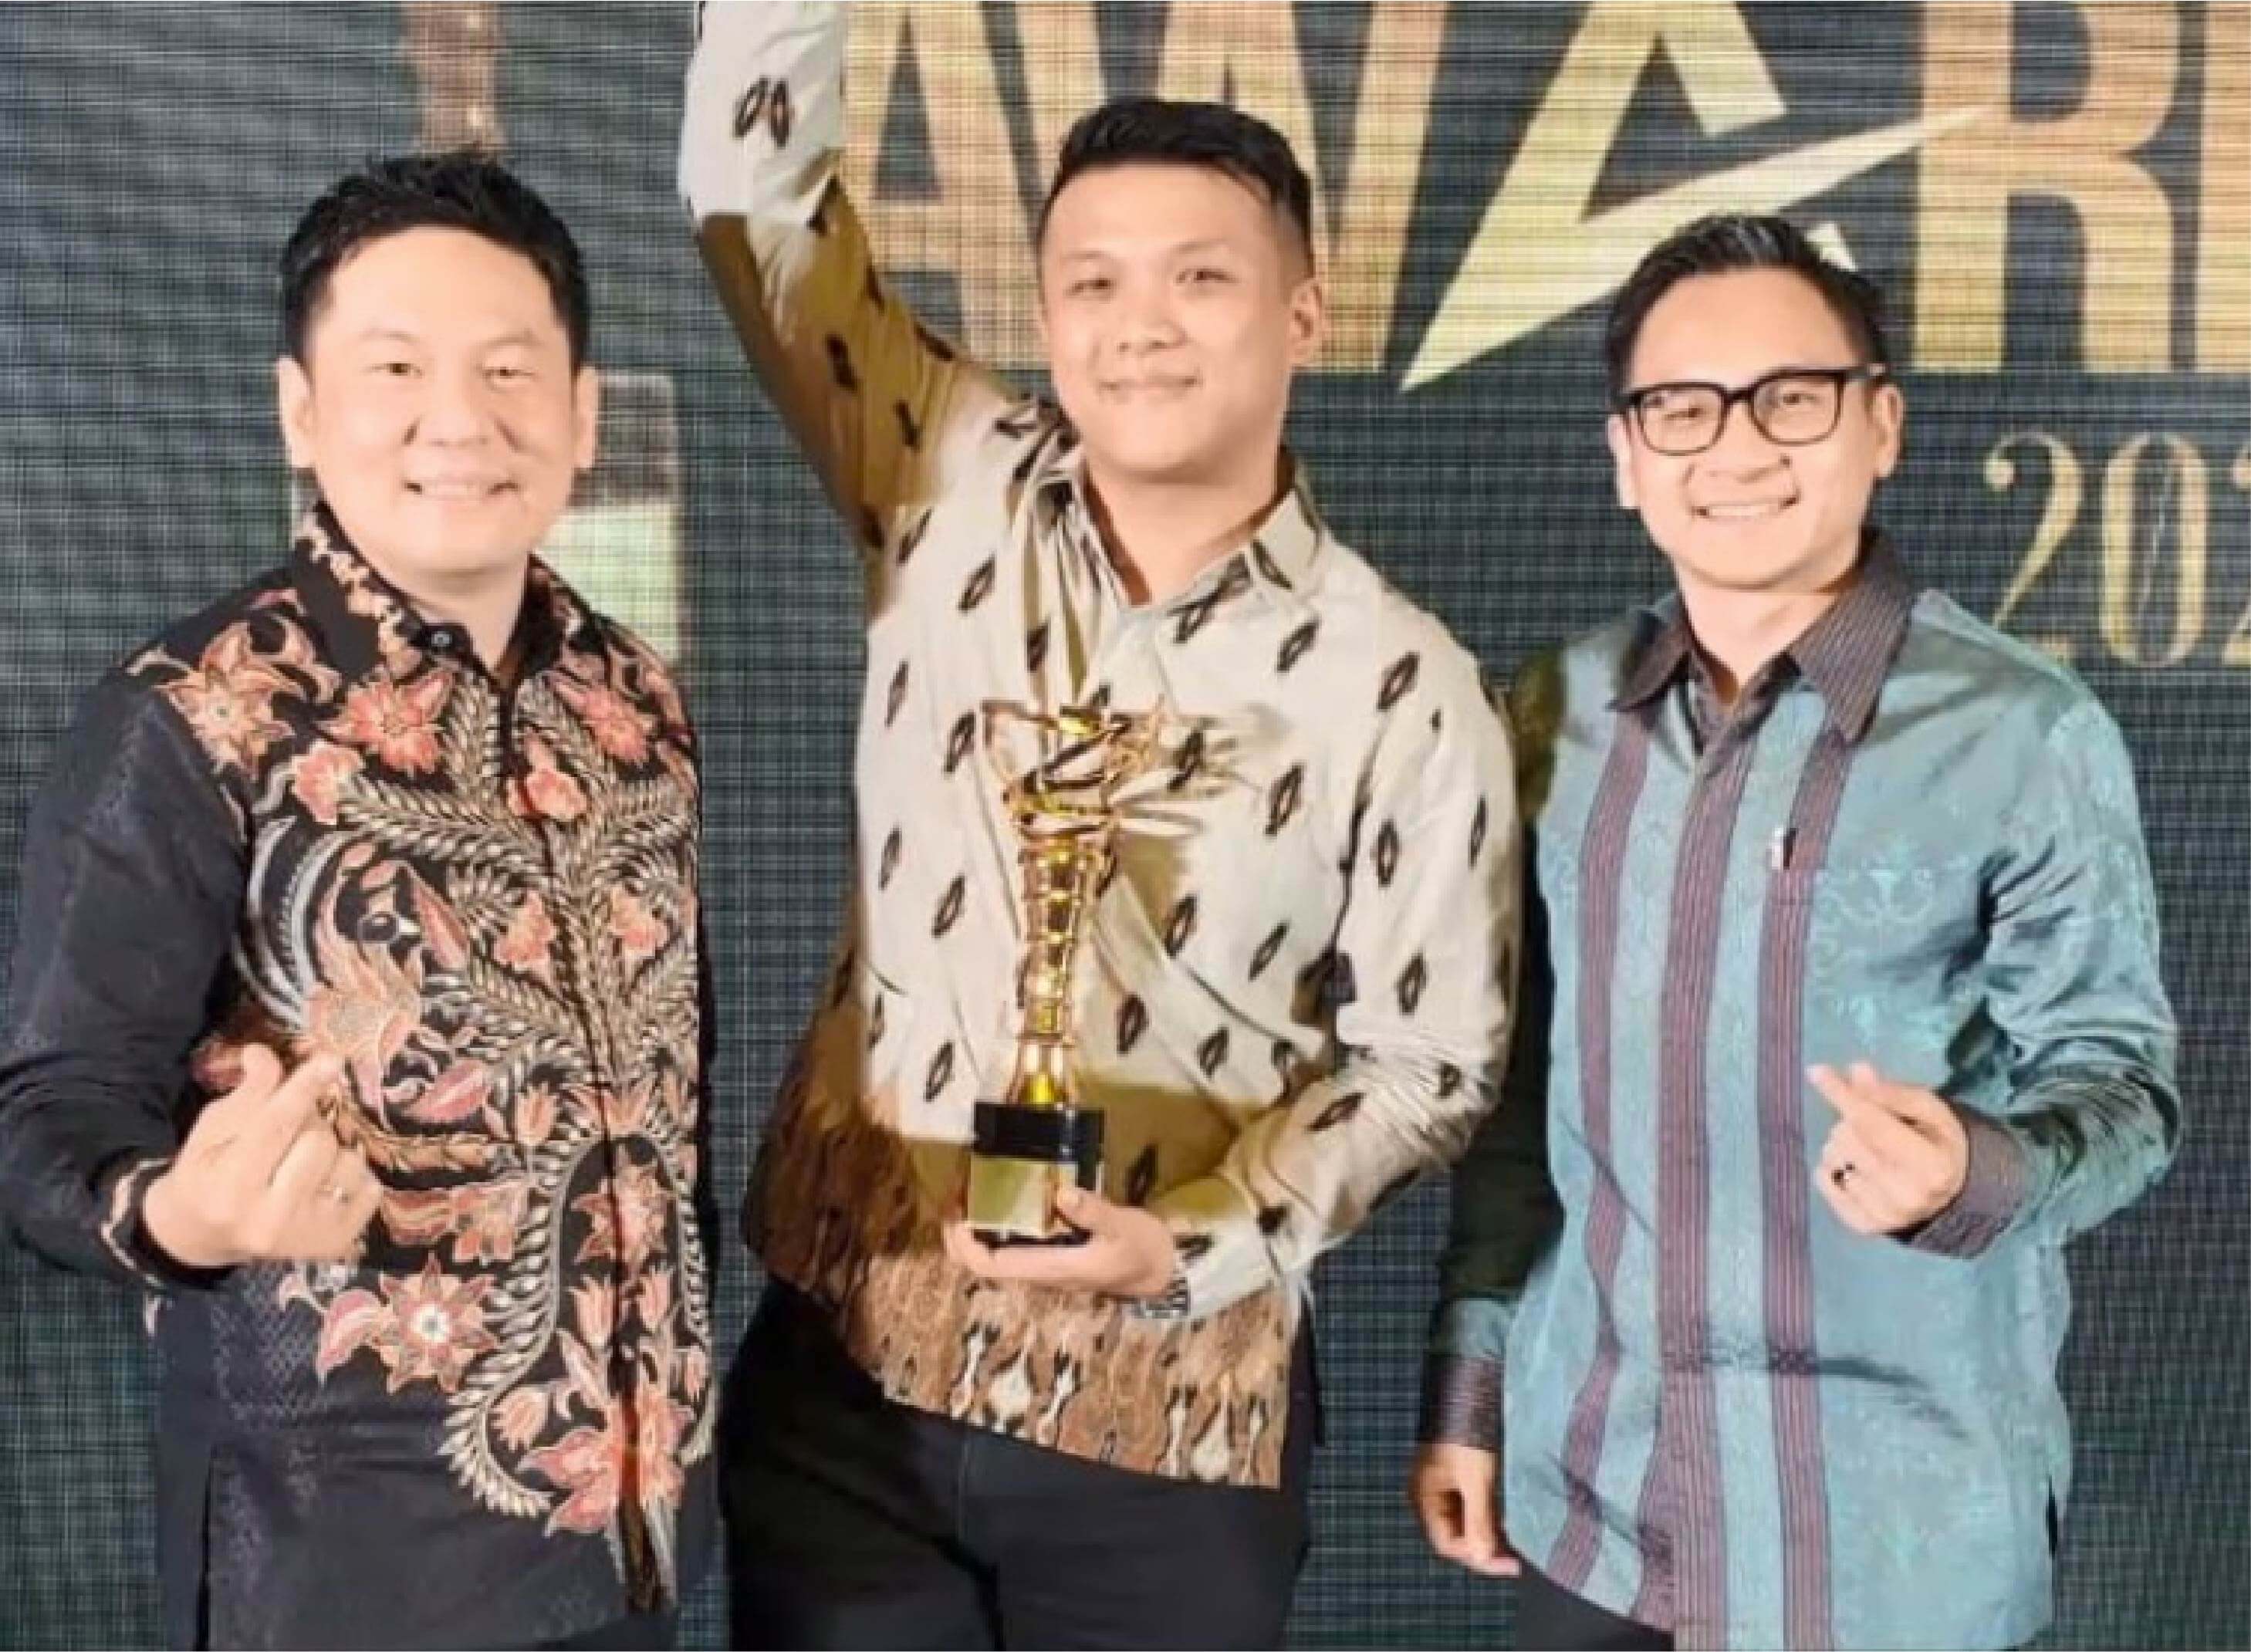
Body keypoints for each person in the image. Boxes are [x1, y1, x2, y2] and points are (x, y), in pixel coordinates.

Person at [679, 5, 1517, 1646]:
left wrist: (1196, 1242)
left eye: (1200, 278)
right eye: (1092, 283)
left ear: (1303, 311)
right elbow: (748, 195)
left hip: (1171, 1425)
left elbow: (1432, 1061)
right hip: (853, 1387)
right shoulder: (944, 482)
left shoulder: (1404, 683)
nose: (1140, 327)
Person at [1411, 213, 2181, 1651]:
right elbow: (1522, 1099)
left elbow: (2126, 1092)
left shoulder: (2023, 734)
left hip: (1889, 1541)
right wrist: (1474, 1384)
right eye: (1681, 407)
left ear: (1879, 423)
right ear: (1626, 454)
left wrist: (1969, 1164)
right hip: (1598, 1506)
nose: (1736, 447)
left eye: (1790, 397)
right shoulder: (1555, 717)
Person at [0, 152, 715, 1651]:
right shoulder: (195, 717)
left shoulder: (636, 701)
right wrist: (182, 1214)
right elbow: (47, 1111)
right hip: (348, 1564)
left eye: (509, 369)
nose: (459, 418)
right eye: (396, 367)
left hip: (638, 1529)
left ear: (582, 412)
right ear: (301, 410)